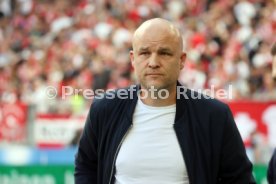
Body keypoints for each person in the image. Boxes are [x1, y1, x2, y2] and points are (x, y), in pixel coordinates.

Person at [74, 18, 256, 184]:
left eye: (164, 53)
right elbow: (86, 168)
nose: (153, 62)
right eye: (144, 53)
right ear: (133, 59)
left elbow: (239, 179)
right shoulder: (104, 109)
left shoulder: (214, 116)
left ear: (182, 60)